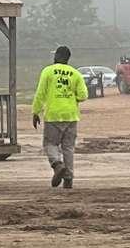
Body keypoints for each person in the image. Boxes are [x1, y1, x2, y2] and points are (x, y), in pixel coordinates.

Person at [31, 45, 88, 189]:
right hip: (71, 115)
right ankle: (68, 179)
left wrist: (35, 111)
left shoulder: (48, 71)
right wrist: (70, 98)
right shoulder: (75, 74)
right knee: (68, 148)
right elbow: (83, 95)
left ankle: (57, 165)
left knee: (50, 144)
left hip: (53, 115)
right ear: (68, 58)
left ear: (56, 56)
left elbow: (40, 93)